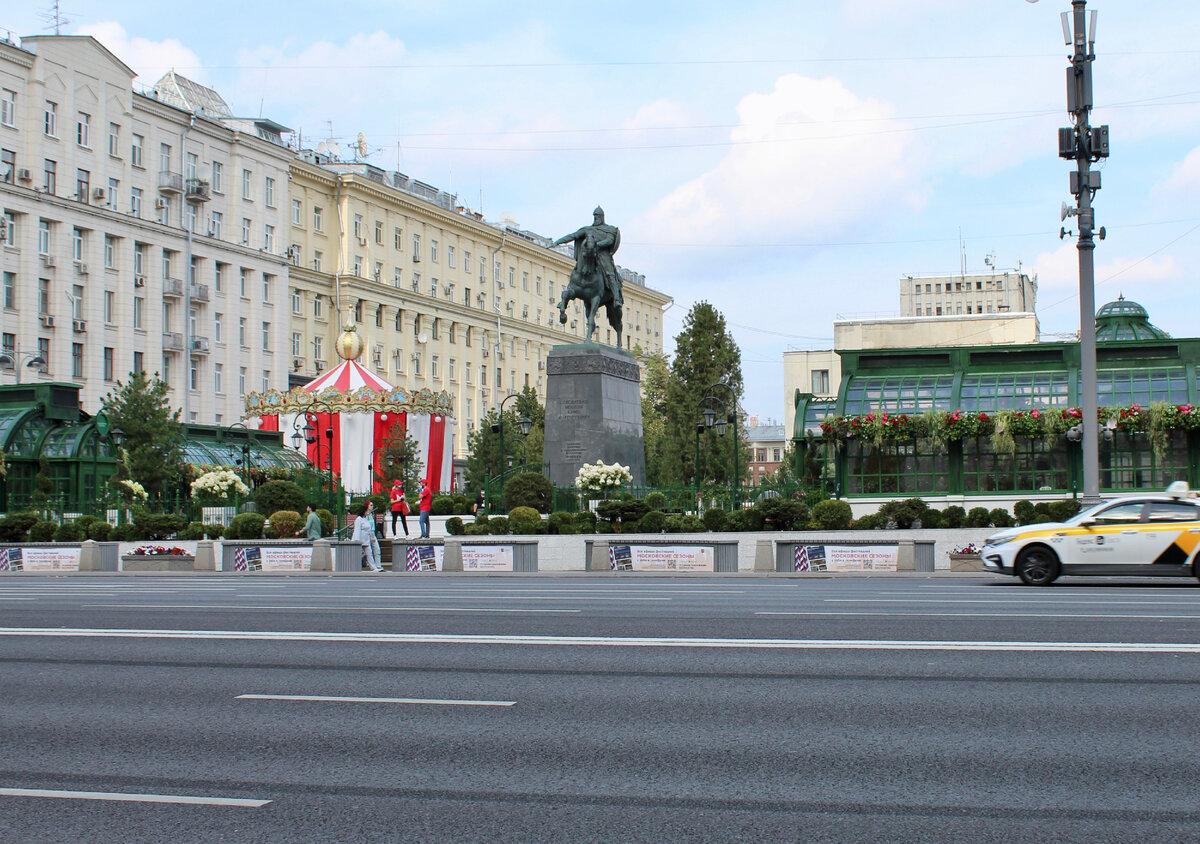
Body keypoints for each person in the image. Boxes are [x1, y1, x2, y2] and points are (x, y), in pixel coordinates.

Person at [550, 206, 623, 308]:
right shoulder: (588, 229)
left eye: (597, 216)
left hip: (602, 255)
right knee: (577, 270)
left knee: (610, 273)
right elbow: (573, 236)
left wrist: (596, 244)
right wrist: (557, 242)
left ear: (602, 217)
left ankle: (616, 298)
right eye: (594, 216)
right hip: (589, 253)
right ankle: (568, 294)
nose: (595, 218)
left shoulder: (610, 229)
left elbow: (610, 241)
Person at [352, 503, 382, 572]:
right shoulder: (359, 519)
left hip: (366, 540)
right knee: (358, 555)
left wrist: (369, 538)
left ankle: (373, 567)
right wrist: (357, 540)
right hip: (360, 540)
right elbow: (357, 530)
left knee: (369, 554)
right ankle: (355, 567)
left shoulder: (365, 519)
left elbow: (367, 530)